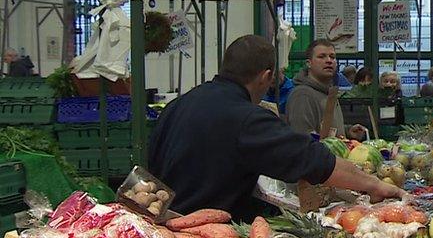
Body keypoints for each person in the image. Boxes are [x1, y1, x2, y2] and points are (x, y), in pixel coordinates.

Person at [147, 35, 404, 221]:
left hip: (161, 225)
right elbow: (314, 160)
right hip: (202, 233)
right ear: (265, 77)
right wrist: (374, 185)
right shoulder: (247, 119)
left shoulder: (179, 104)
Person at [288, 39, 368, 139]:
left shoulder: (329, 92)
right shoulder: (302, 95)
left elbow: (325, 129)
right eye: (321, 56)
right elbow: (303, 140)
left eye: (332, 57)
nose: (329, 61)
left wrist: (347, 131)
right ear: (309, 63)